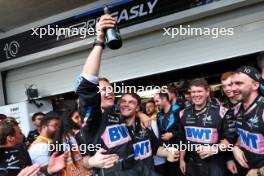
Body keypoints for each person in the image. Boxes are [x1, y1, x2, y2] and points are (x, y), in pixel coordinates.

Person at [75, 14, 152, 176]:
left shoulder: (115, 113)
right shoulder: (91, 118)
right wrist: (99, 40)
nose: (109, 92)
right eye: (103, 90)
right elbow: (87, 85)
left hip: (138, 168)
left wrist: (140, 113)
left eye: (110, 89)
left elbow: (129, 108)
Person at [179, 78, 235, 176]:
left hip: (215, 163)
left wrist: (214, 149)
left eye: (200, 91)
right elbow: (183, 140)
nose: (196, 95)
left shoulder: (221, 112)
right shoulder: (183, 113)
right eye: (193, 92)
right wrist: (181, 160)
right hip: (192, 164)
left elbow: (229, 139)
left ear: (207, 92)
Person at [119, 93, 179, 176]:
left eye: (131, 102)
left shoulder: (144, 126)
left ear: (137, 108)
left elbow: (156, 148)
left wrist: (168, 152)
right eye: (123, 101)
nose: (126, 104)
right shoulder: (113, 126)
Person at [231, 66, 264, 176]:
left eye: (239, 83)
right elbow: (245, 133)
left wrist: (258, 172)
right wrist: (236, 147)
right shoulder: (238, 109)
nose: (233, 88)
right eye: (232, 84)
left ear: (255, 85)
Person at [154, 93, 182, 176]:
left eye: (157, 101)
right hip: (166, 152)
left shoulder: (179, 110)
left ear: (164, 99)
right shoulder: (159, 115)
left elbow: (185, 130)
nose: (156, 104)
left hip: (180, 150)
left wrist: (173, 134)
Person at [220, 71, 239, 175]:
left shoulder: (247, 102)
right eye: (224, 86)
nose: (227, 89)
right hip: (233, 157)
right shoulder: (223, 107)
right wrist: (229, 159)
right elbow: (223, 137)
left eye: (230, 84)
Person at [145, 99, 166, 175]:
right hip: (149, 160)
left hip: (161, 158)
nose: (148, 108)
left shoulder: (159, 120)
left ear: (155, 107)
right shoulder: (143, 122)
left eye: (150, 106)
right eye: (146, 107)